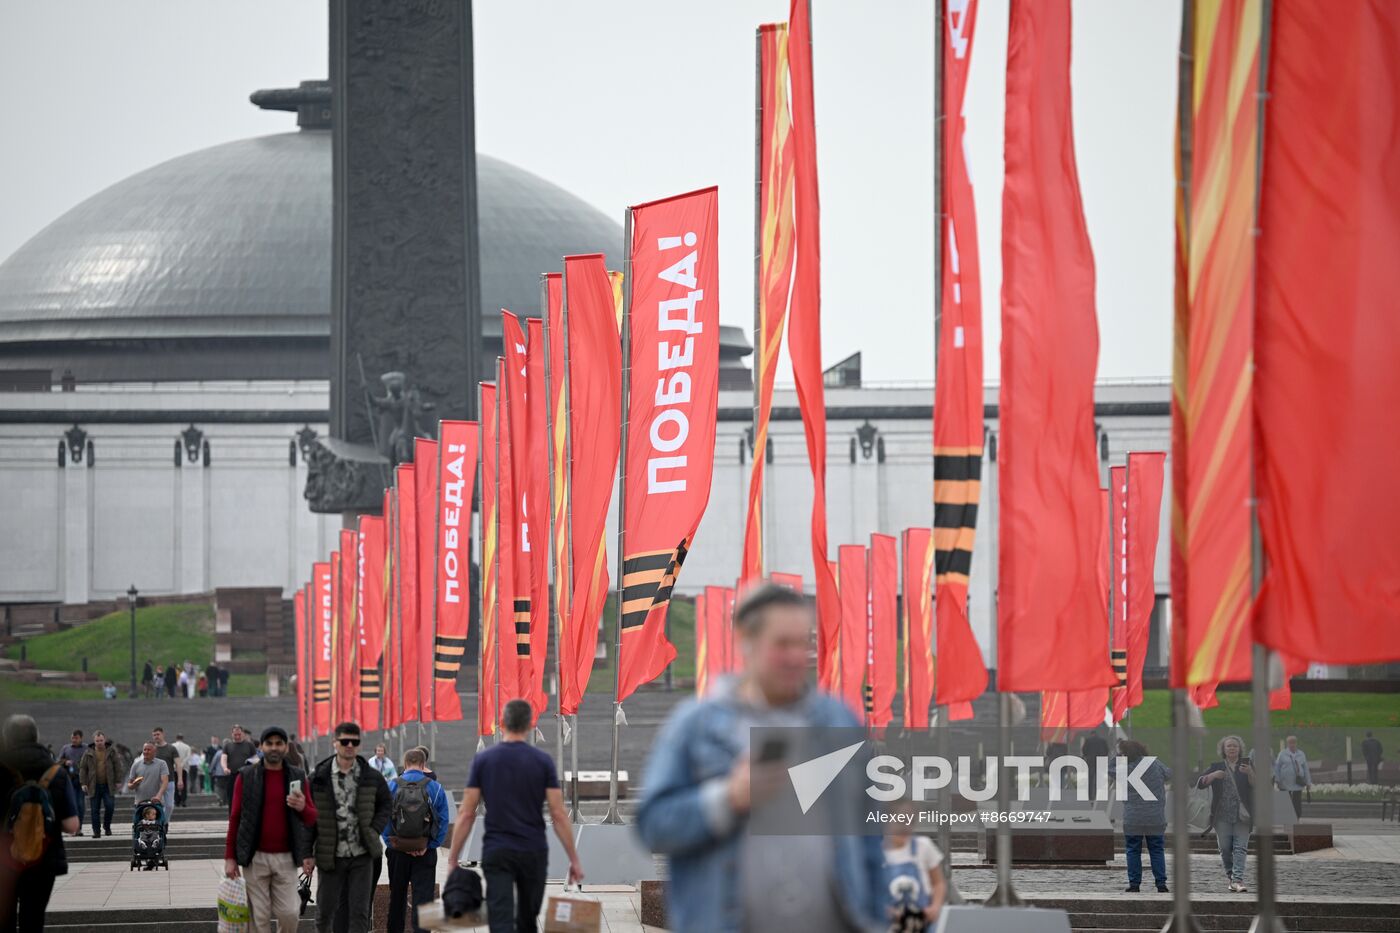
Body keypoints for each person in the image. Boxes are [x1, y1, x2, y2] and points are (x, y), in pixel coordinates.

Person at [635, 584, 884, 933]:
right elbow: (653, 827)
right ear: (745, 641)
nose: (797, 656)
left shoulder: (837, 719)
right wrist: (727, 798)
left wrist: (878, 918)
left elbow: (869, 835)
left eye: (803, 643)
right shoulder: (697, 726)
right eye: (782, 644)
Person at [447, 700, 583, 933]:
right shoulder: (542, 762)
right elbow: (559, 814)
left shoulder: (484, 760)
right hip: (533, 851)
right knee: (527, 920)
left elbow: (467, 812)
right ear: (530, 725)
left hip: (497, 850)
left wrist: (453, 859)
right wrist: (574, 859)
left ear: (503, 723)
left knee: (500, 917)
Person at [224, 726, 317, 933]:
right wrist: (230, 857)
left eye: (279, 743)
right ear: (262, 747)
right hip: (255, 858)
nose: (274, 748)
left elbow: (312, 817)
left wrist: (302, 807)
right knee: (259, 918)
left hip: (286, 859)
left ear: (285, 747)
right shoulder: (246, 776)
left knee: (290, 913)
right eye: (269, 743)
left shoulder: (298, 776)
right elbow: (235, 817)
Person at [0, 714, 81, 932]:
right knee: (33, 920)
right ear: (36, 736)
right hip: (43, 859)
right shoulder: (56, 772)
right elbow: (72, 825)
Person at [309, 721, 391, 933]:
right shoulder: (319, 776)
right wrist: (306, 853)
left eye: (354, 742)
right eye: (344, 741)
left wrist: (374, 829)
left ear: (359, 745)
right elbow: (308, 818)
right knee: (325, 912)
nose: (349, 745)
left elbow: (386, 805)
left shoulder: (371, 776)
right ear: (335, 743)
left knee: (359, 912)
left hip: (362, 854)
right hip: (330, 855)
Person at [382, 747, 451, 933]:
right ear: (423, 765)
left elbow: (383, 819)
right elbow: (444, 821)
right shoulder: (435, 787)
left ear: (405, 764)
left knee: (397, 896)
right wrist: (430, 845)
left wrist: (394, 844)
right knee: (424, 898)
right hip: (425, 851)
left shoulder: (391, 786)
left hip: (397, 853)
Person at [1197, 735, 1255, 893]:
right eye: (1229, 746)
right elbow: (1200, 784)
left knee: (1240, 848)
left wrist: (1250, 773)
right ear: (1223, 749)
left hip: (1242, 815)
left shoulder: (1247, 765)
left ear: (1240, 749)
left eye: (1235, 746)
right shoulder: (1216, 766)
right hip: (1221, 815)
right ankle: (1231, 877)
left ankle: (1238, 880)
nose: (1232, 748)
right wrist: (1213, 776)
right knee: (1225, 848)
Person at [1114, 739, 1170, 893]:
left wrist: (1117, 757)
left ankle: (1134, 883)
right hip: (1155, 816)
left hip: (1133, 816)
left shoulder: (1124, 768)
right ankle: (1161, 883)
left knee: (1133, 849)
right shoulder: (1155, 764)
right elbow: (1169, 774)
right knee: (1157, 849)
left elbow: (1109, 770)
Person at [881, 800, 946, 932]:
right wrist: (885, 911)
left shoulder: (924, 846)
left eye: (910, 821)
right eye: (900, 821)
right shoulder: (878, 853)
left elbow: (938, 883)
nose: (906, 827)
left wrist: (935, 907)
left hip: (923, 925)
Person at [79, 730, 121, 838]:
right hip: (94, 785)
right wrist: (83, 783)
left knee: (110, 806)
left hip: (108, 785)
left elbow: (117, 766)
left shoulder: (111, 751)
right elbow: (83, 768)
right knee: (94, 810)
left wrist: (118, 780)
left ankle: (107, 827)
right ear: (94, 741)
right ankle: (96, 831)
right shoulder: (88, 752)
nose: (99, 742)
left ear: (105, 740)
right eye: (97, 741)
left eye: (101, 740)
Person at [125, 742, 171, 823]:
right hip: (140, 802)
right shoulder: (136, 765)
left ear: (154, 751)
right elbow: (129, 785)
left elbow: (165, 782)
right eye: (144, 749)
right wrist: (134, 784)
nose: (146, 752)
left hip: (156, 802)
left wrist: (159, 796)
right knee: (137, 825)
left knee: (159, 824)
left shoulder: (162, 764)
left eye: (149, 750)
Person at [1274, 735, 1312, 819]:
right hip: (1284, 783)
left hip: (1297, 783)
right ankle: (1286, 820)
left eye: (1294, 742)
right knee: (1285, 802)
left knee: (1297, 803)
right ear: (1287, 744)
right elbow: (1277, 767)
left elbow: (1305, 768)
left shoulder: (1301, 754)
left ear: (1296, 743)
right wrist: (1277, 779)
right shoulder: (1282, 754)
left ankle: (1296, 819)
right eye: (1290, 743)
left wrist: (1308, 781)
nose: (1292, 744)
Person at [221, 726, 258, 810]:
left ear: (243, 734)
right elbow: (223, 758)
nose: (237, 736)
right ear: (232, 734)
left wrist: (253, 763)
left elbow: (256, 759)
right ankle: (232, 817)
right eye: (235, 734)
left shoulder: (249, 745)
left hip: (246, 776)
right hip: (232, 775)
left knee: (246, 798)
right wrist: (225, 768)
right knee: (231, 797)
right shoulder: (227, 746)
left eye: (239, 734)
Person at [57, 730, 86, 835]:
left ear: (81, 738)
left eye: (76, 738)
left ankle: (79, 828)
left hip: (82, 780)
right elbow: (58, 761)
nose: (74, 740)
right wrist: (65, 762)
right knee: (72, 804)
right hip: (69, 780)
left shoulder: (86, 748)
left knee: (80, 804)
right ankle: (75, 829)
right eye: (72, 738)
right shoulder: (66, 748)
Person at [150, 727, 182, 816]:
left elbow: (178, 765)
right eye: (154, 735)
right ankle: (159, 824)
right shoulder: (151, 749)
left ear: (163, 734)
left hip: (169, 780)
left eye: (158, 734)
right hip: (154, 781)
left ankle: (165, 822)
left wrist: (180, 779)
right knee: (156, 804)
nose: (156, 736)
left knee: (169, 805)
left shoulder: (171, 748)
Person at [1081, 729, 1110, 799]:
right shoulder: (1102, 741)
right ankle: (1098, 795)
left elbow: (1084, 750)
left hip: (1090, 762)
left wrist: (1087, 756)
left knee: (1090, 779)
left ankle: (1090, 796)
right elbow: (1107, 750)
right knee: (1099, 779)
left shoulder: (1088, 740)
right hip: (1100, 762)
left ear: (1091, 734)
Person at [172, 734, 192, 807]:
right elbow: (188, 757)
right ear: (182, 739)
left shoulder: (172, 746)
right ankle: (183, 800)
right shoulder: (187, 747)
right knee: (184, 784)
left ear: (176, 738)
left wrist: (176, 765)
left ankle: (176, 801)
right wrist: (182, 764)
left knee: (175, 784)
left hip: (174, 768)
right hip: (184, 768)